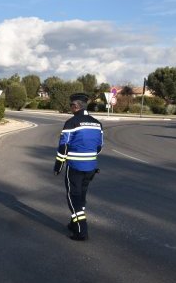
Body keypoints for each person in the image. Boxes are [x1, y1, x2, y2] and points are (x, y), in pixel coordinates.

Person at [54, 93, 103, 241]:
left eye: (71, 106)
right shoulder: (97, 123)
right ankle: (73, 223)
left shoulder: (71, 122)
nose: (70, 108)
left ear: (76, 106)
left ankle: (81, 230)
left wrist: (58, 166)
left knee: (73, 198)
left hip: (75, 167)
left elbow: (64, 147)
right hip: (91, 168)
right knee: (81, 196)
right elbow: (99, 147)